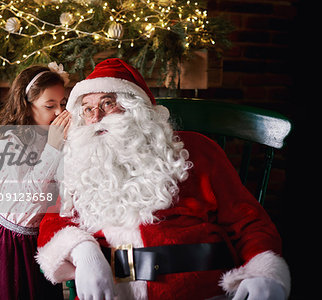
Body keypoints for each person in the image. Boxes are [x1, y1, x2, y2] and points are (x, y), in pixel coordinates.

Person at [36, 58, 291, 300]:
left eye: (107, 103)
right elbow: (53, 224)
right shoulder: (81, 161)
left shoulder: (197, 150)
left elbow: (247, 220)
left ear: (135, 108)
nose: (95, 118)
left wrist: (264, 272)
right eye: (88, 109)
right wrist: (83, 252)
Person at [0, 63, 70, 300]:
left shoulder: (50, 135)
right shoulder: (13, 142)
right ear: (26, 106)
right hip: (11, 242)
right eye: (50, 106)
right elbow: (25, 199)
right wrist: (53, 148)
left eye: (63, 104)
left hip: (40, 239)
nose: (60, 113)